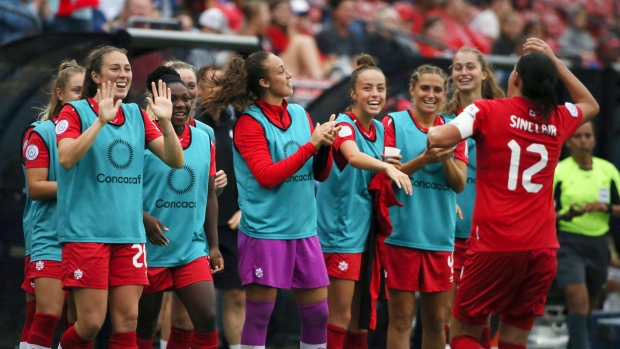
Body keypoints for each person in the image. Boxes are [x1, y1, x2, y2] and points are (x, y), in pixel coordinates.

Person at [427, 38, 600, 349]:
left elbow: (439, 136)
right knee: (513, 340)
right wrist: (555, 62)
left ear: (516, 78)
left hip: (496, 244)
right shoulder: (558, 117)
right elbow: (591, 104)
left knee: (463, 332)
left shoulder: (486, 110)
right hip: (543, 249)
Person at [202, 51, 338, 349]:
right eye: (281, 70)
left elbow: (320, 174)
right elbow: (266, 175)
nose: (289, 74)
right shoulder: (249, 123)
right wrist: (312, 145)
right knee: (260, 315)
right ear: (264, 82)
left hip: (304, 229)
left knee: (318, 314)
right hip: (265, 232)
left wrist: (325, 147)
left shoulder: (301, 114)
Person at [55, 45, 184, 349]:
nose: (124, 74)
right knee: (90, 324)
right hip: (87, 234)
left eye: (127, 68)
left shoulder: (136, 114)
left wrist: (165, 122)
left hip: (129, 236)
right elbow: (66, 158)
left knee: (127, 323)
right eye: (115, 68)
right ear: (96, 76)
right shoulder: (74, 111)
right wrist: (100, 121)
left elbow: (176, 161)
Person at [316, 54, 412, 349]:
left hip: (366, 235)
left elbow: (380, 173)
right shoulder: (344, 124)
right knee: (340, 317)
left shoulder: (381, 129)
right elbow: (354, 157)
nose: (375, 95)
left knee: (361, 318)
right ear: (353, 93)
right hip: (340, 235)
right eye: (368, 88)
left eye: (380, 88)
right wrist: (386, 166)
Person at [382, 64, 468, 349]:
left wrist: (444, 157)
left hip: (440, 239)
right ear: (412, 90)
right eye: (425, 88)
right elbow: (389, 179)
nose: (430, 95)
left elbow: (459, 185)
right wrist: (425, 158)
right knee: (402, 319)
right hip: (401, 235)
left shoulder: (455, 130)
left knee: (436, 320)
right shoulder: (392, 123)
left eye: (437, 90)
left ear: (445, 94)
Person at [136, 66, 222, 349]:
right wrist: (142, 217)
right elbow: (121, 189)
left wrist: (213, 245)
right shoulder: (141, 136)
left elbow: (209, 195)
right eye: (174, 99)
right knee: (145, 326)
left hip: (190, 247)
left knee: (208, 318)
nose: (183, 104)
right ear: (156, 103)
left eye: (186, 98)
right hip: (150, 249)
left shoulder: (204, 138)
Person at [440, 46, 505, 348]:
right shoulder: (442, 120)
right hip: (448, 233)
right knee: (446, 315)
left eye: (470, 67)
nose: (463, 73)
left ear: (485, 73)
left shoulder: (503, 116)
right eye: (457, 67)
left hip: (489, 232)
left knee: (482, 315)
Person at [23, 60, 85, 349]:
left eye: (87, 91)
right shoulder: (42, 132)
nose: (82, 97)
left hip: (87, 236)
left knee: (83, 322)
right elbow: (36, 188)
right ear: (59, 93)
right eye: (76, 91)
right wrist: (86, 189)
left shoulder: (98, 133)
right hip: (49, 236)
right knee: (45, 315)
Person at [553, 122, 620, 349]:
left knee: (587, 307)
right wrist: (567, 215)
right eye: (578, 136)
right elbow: (545, 214)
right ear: (569, 141)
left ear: (593, 140)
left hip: (599, 243)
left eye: (587, 135)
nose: (583, 140)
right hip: (568, 243)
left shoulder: (608, 170)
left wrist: (606, 207)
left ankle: (576, 344)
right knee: (577, 300)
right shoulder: (559, 171)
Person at [196, 64, 245, 349]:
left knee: (236, 295)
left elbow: (257, 170)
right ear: (199, 90)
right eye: (211, 84)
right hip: (196, 225)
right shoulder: (189, 124)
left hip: (232, 224)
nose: (217, 90)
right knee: (188, 301)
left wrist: (247, 208)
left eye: (222, 84)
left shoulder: (241, 122)